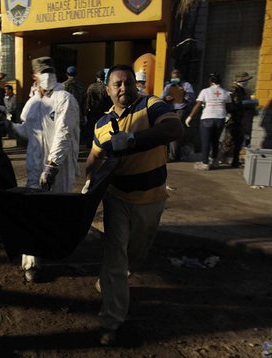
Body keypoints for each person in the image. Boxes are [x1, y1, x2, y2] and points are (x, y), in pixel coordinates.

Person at [83, 64, 183, 345]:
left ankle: (112, 281)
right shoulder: (101, 125)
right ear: (108, 90)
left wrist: (132, 140)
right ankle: (110, 322)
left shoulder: (151, 105)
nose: (123, 88)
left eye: (128, 83)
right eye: (117, 84)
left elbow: (174, 129)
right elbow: (94, 159)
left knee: (134, 258)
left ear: (136, 85)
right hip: (117, 199)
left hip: (152, 199)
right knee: (115, 256)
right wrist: (89, 182)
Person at [9, 57, 80, 282]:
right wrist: (7, 126)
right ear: (34, 77)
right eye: (43, 71)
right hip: (34, 166)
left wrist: (52, 166)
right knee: (33, 211)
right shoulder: (33, 103)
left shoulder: (65, 99)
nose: (47, 75)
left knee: (54, 210)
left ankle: (51, 249)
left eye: (50, 70)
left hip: (57, 168)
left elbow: (64, 133)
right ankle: (32, 262)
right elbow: (26, 132)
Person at [186, 73, 232, 170]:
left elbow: (198, 105)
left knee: (205, 141)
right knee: (215, 141)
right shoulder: (226, 92)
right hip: (220, 118)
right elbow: (228, 107)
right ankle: (215, 161)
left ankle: (205, 163)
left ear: (210, 81)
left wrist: (190, 116)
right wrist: (227, 116)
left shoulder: (205, 91)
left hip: (207, 118)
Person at [161, 69, 195, 161]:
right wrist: (166, 98)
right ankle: (170, 154)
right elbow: (161, 98)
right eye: (173, 77)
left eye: (177, 77)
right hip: (169, 109)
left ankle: (173, 155)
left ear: (180, 76)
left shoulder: (186, 85)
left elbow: (192, 98)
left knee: (175, 130)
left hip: (181, 109)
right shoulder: (168, 86)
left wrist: (184, 94)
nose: (175, 78)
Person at [224, 72, 252, 167]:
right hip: (233, 118)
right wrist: (246, 104)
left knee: (237, 140)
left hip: (238, 118)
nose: (247, 82)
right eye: (246, 80)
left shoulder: (241, 90)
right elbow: (235, 104)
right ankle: (222, 158)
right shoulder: (235, 90)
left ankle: (234, 160)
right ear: (241, 81)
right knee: (230, 140)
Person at [85, 69, 113, 147]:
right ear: (104, 77)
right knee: (102, 128)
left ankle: (90, 143)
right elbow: (109, 101)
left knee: (91, 128)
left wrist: (86, 112)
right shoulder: (106, 88)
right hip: (103, 112)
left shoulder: (91, 87)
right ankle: (101, 143)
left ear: (97, 77)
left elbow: (87, 100)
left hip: (93, 111)